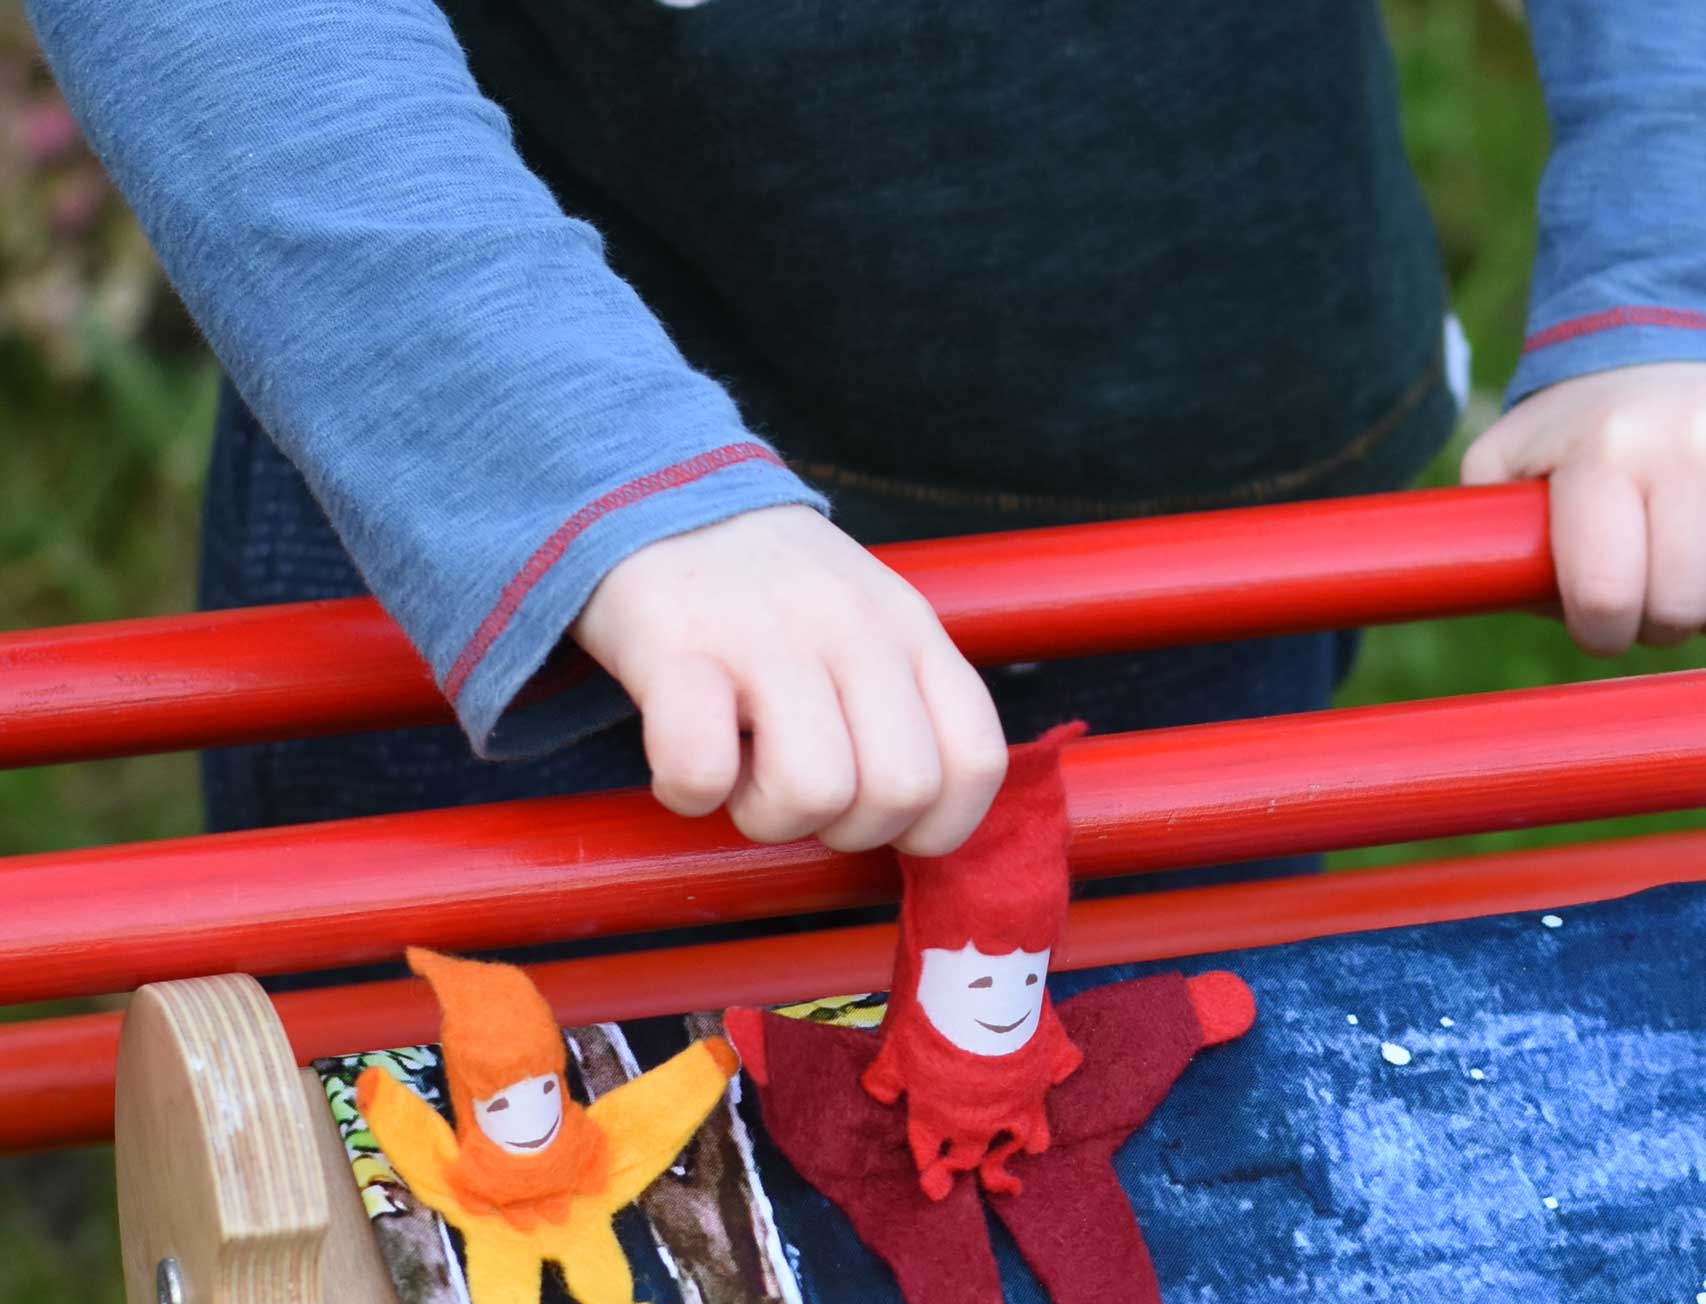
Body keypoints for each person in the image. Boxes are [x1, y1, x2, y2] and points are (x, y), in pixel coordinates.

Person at [24, 0, 1706, 859]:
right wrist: (594, 474)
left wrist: (1669, 257)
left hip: (1191, 488)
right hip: (530, 507)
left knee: (1139, 1192)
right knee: (460, 1285)